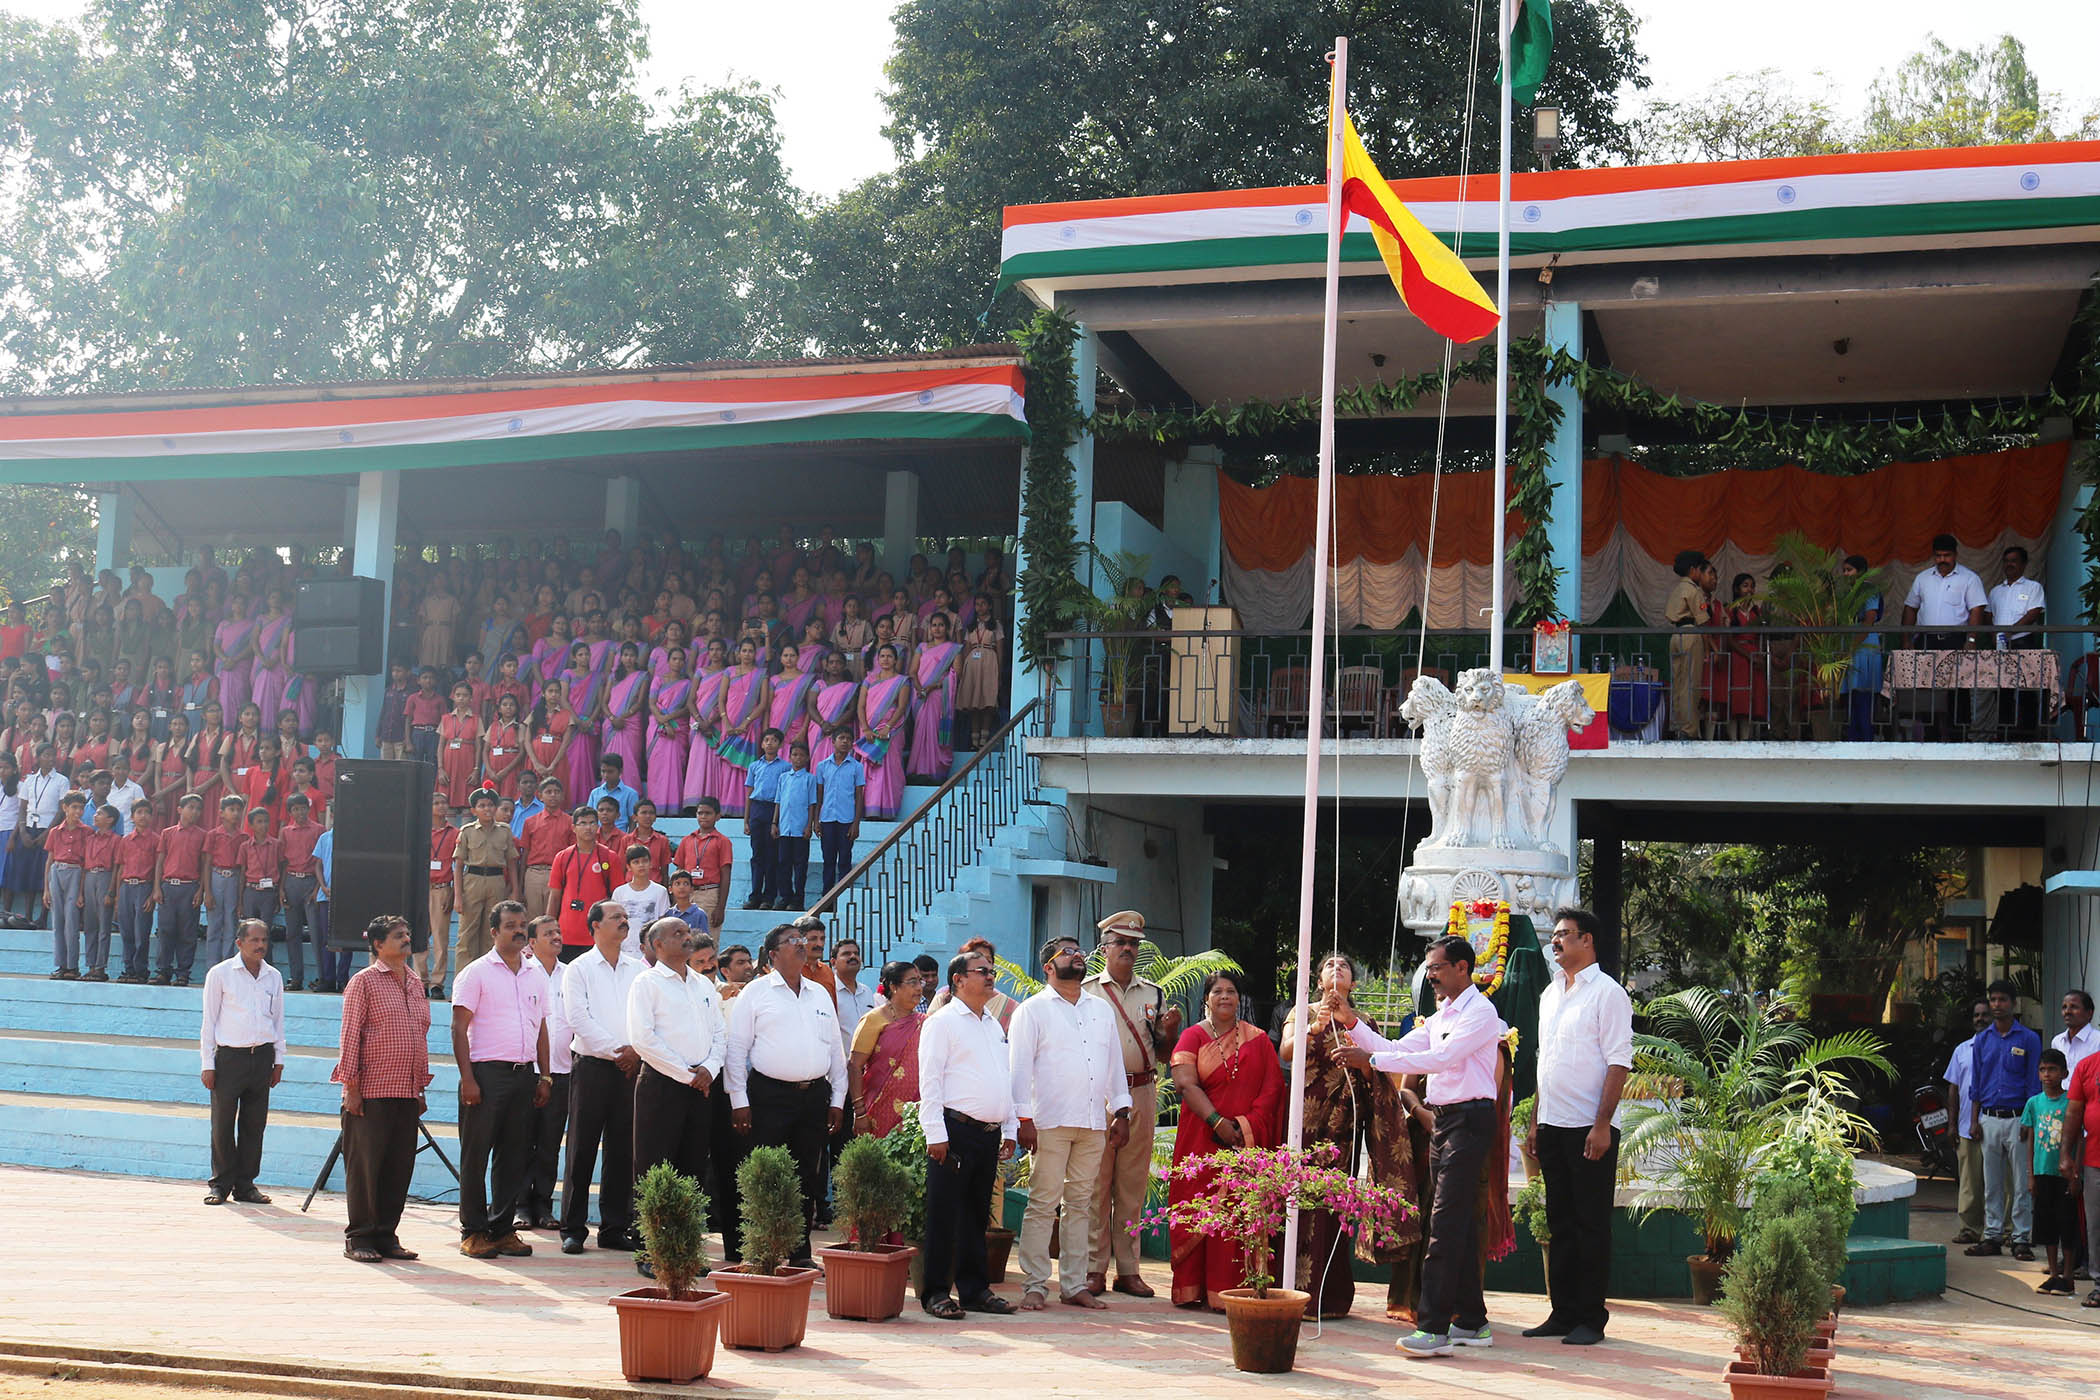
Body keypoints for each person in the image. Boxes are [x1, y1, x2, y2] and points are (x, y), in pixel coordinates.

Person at [1337, 935, 1507, 1358]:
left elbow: (1442, 1059)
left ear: (1462, 968)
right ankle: (1472, 1321)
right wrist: (1354, 1024)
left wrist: (1371, 1062)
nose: (1429, 976)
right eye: (1429, 968)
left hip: (1470, 1119)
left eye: (1436, 967)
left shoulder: (1481, 1013)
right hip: (1445, 1121)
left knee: (1445, 1224)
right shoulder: (1441, 1013)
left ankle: (1433, 1327)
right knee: (1458, 1223)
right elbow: (1398, 1048)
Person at [1278, 951, 1419, 1320]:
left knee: (1334, 1207)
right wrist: (1314, 1027)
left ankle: (1332, 1295)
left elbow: (1380, 1071)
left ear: (1353, 983)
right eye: (1329, 966)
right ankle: (1294, 1291)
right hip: (1304, 1127)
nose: (1336, 970)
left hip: (1343, 1127)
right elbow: (1286, 1051)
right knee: (1301, 1203)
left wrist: (1362, 1061)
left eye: (1343, 967)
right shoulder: (1303, 1012)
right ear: (1320, 979)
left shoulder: (1362, 1021)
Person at [1526, 908, 1633, 1345]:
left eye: (1564, 935)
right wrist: (1535, 1122)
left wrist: (1602, 1124)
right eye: (1554, 936)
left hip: (1590, 1128)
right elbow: (1543, 1062)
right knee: (1560, 1222)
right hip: (1552, 1124)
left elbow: (1618, 1061)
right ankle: (1562, 1313)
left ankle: (1591, 1318)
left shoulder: (1608, 993)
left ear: (1587, 940)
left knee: (1590, 1225)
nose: (1555, 943)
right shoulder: (1550, 994)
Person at [1010, 935, 1131, 1312]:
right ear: (1048, 967)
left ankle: (1075, 1284)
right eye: (1067, 952)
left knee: (1081, 1204)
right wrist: (1022, 1118)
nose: (1077, 956)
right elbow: (1019, 1070)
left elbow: (1113, 1065)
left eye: (1079, 951)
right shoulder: (1031, 1011)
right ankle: (1034, 1284)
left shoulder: (1100, 1009)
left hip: (1093, 1120)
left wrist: (1122, 1111)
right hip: (1049, 1120)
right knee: (1043, 1203)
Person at [723, 923, 846, 1265]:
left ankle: (798, 1252)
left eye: (802, 939)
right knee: (764, 1172)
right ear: (773, 954)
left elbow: (836, 1050)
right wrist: (739, 1101)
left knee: (807, 1175)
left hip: (813, 1097)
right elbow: (736, 1051)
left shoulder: (819, 993)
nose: (801, 944)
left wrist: (837, 1099)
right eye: (792, 941)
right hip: (768, 1095)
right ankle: (761, 1249)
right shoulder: (756, 992)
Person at [1165, 968, 1283, 1310]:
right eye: (1217, 991)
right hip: (1201, 1138)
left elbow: (1272, 1088)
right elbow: (1186, 1084)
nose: (1225, 997)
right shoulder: (1192, 1037)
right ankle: (1190, 1289)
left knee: (1237, 1213)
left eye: (1231, 991)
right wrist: (1217, 1122)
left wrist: (1244, 1127)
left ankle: (1229, 1291)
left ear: (1239, 998)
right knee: (1197, 1209)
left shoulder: (1258, 1039)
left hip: (1246, 1141)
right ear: (1206, 999)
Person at [917, 947, 1020, 1319]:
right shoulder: (942, 1022)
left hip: (988, 1133)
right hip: (953, 1131)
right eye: (982, 971)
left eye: (991, 970)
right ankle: (936, 1293)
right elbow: (929, 1081)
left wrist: (1009, 1126)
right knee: (945, 1214)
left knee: (977, 1215)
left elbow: (1003, 1078)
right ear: (959, 980)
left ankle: (975, 1289)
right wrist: (935, 1134)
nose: (990, 976)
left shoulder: (991, 1023)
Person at [1084, 910, 1181, 1297]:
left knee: (1132, 1185)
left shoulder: (1152, 993)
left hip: (1141, 1088)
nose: (1127, 949)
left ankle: (1128, 1270)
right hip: (1098, 1093)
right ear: (1104, 947)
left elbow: (1161, 1053)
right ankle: (1093, 1268)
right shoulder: (1088, 990)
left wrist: (1168, 1035)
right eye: (1120, 942)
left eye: (1133, 944)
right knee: (1096, 1183)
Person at [626, 916, 729, 1278]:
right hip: (663, 1085)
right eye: (678, 934)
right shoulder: (647, 983)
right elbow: (643, 1038)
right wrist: (688, 1074)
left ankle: (686, 1249)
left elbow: (720, 1033)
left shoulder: (702, 984)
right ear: (657, 945)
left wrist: (709, 1070)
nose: (687, 939)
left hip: (700, 1087)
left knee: (691, 1169)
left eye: (687, 933)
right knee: (654, 1168)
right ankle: (650, 1251)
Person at [451, 900, 552, 1259]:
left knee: (514, 1156)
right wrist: (468, 1079)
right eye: (510, 925)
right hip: (486, 1075)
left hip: (524, 1076)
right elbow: (459, 1028)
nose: (518, 930)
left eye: (522, 924)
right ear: (494, 932)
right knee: (475, 1156)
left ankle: (502, 1229)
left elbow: (541, 1027)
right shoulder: (476, 972)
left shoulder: (535, 973)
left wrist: (545, 1076)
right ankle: (474, 1231)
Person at [333, 914, 432, 1263]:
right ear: (378, 945)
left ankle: (387, 1235)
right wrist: (352, 1087)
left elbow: (420, 1036)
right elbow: (350, 1036)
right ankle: (359, 1237)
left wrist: (420, 1087)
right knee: (365, 1167)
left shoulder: (416, 982)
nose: (406, 939)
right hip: (371, 1090)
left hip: (406, 1090)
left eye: (407, 934)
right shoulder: (364, 982)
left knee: (398, 1166)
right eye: (398, 936)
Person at [558, 900, 644, 1255]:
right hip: (593, 1067)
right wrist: (618, 1052)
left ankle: (614, 1227)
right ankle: (573, 1229)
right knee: (582, 1148)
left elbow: (645, 1017)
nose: (624, 922)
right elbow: (579, 1019)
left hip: (631, 1069)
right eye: (615, 918)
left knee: (624, 1151)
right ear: (595, 925)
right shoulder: (578, 969)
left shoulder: (639, 969)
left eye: (626, 917)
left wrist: (634, 1053)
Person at [199, 918, 285, 1205]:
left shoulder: (273, 976)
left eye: (264, 940)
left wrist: (279, 1059)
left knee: (254, 1124)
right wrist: (207, 1063)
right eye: (254, 940)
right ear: (239, 943)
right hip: (229, 1058)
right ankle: (220, 1184)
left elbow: (278, 1020)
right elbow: (208, 1021)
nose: (261, 945)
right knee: (222, 1123)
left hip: (261, 1057)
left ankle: (246, 1184)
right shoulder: (220, 974)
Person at [1967, 978, 2043, 1261]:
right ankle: (1992, 1236)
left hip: (2018, 1120)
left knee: (2022, 1183)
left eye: (2002, 1000)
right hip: (1989, 1118)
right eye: (1993, 1000)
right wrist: (1974, 1121)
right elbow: (1976, 1083)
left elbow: (2034, 1085)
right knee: (1993, 1182)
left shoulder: (2029, 1039)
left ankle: (2021, 1238)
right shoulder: (1982, 1040)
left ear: (2014, 1003)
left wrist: (2028, 1120)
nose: (1997, 1005)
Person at [848, 961, 925, 1139]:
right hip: (877, 1109)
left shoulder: (925, 1022)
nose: (919, 988)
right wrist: (859, 1113)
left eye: (920, 982)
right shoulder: (874, 1019)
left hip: (916, 1113)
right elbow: (854, 1067)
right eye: (912, 982)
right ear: (893, 987)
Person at [451, 787, 517, 971]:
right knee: (467, 934)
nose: (487, 809)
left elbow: (511, 863)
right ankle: (463, 981)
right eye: (481, 806)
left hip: (496, 881)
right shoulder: (467, 831)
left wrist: (515, 890)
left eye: (490, 805)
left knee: (492, 932)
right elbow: (458, 865)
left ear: (496, 808)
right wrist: (458, 896)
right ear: (474, 810)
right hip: (473, 880)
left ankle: (489, 977)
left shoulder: (504, 831)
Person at [2028, 1048, 2074, 1294]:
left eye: (2053, 1069)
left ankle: (2068, 1276)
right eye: (2043, 1070)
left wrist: (2075, 1174)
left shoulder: (2071, 1102)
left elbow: (2079, 1138)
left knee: (2066, 1223)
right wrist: (2030, 1175)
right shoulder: (2034, 1103)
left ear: (2064, 1073)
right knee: (2046, 1225)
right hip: (2042, 1171)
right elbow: (2031, 1140)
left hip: (2064, 1174)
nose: (2047, 1075)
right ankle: (2053, 1274)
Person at [1945, 997, 1991, 1245]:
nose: (1980, 1019)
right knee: (1969, 1184)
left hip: (1995, 1124)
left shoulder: (1999, 1047)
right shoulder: (1962, 1050)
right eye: (1977, 1015)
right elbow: (1953, 1089)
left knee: (2000, 1185)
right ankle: (1969, 1230)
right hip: (1965, 1127)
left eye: (1985, 1015)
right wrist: (1952, 1124)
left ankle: (2002, 1232)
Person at [2059, 1033, 2100, 1307]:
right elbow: (2074, 1113)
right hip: (2095, 1161)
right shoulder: (2087, 1066)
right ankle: (2099, 1283)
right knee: (2097, 1225)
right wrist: (2066, 1154)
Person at [547, 806, 618, 957]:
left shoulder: (609, 857)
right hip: (567, 932)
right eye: (583, 823)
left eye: (592, 823)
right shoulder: (562, 857)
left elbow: (617, 897)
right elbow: (554, 896)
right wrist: (549, 928)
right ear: (573, 828)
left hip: (598, 933)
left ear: (598, 827)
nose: (588, 827)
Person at [1664, 550, 1715, 740]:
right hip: (1691, 634)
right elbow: (1703, 621)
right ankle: (1689, 729)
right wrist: (1709, 649)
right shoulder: (1694, 591)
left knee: (1678, 682)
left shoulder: (1677, 589)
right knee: (1691, 683)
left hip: (1676, 635)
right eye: (1700, 570)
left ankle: (1677, 724)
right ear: (1693, 570)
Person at [279, 793, 326, 989]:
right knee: (292, 933)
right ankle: (295, 977)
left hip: (310, 882)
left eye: (303, 808)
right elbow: (282, 862)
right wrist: (280, 888)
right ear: (290, 812)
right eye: (295, 809)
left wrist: (317, 889)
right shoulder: (285, 832)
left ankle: (323, 976)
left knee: (316, 933)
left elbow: (321, 863)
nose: (300, 812)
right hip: (291, 882)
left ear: (309, 808)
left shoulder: (319, 830)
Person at [43, 789, 88, 980]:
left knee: (71, 922)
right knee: (58, 922)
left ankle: (72, 966)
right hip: (57, 872)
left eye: (81, 808)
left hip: (75, 872)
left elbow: (86, 862)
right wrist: (46, 889)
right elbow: (49, 860)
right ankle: (61, 964)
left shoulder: (87, 832)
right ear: (65, 807)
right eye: (74, 807)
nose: (77, 812)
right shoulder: (55, 831)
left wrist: (80, 892)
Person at [741, 727, 788, 909]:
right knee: (757, 855)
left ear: (780, 744)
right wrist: (746, 820)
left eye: (774, 740)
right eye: (766, 740)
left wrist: (777, 821)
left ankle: (769, 897)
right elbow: (749, 794)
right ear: (761, 744)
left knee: (772, 855)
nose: (770, 743)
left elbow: (783, 794)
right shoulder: (754, 766)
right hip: (757, 810)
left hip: (774, 810)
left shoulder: (785, 767)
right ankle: (755, 896)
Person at [814, 729, 864, 897]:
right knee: (828, 859)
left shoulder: (856, 767)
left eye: (849, 739)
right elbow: (819, 795)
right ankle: (827, 897)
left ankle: (843, 896)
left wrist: (856, 823)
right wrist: (816, 820)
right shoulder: (822, 766)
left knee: (844, 859)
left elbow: (858, 796)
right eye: (841, 737)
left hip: (846, 820)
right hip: (827, 818)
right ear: (833, 742)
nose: (845, 741)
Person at [671, 796, 732, 933]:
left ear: (717, 816)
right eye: (700, 813)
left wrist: (720, 907)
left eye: (708, 813)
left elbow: (725, 875)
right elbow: (678, 871)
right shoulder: (687, 840)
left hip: (709, 893)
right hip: (686, 893)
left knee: (707, 938)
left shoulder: (722, 841)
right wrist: (675, 899)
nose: (703, 816)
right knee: (682, 937)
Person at [772, 739, 818, 910]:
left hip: (800, 829)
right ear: (790, 757)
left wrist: (809, 825)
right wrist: (774, 822)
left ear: (807, 758)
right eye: (794, 755)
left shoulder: (809, 779)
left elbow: (812, 803)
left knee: (800, 865)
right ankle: (785, 896)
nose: (798, 758)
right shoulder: (784, 778)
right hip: (784, 828)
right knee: (783, 863)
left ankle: (798, 900)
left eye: (801, 755)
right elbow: (778, 801)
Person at [610, 844, 669, 958]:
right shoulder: (620, 892)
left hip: (651, 952)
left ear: (651, 863)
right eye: (636, 862)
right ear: (628, 866)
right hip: (625, 951)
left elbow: (663, 924)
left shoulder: (660, 891)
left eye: (644, 861)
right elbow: (614, 923)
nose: (641, 865)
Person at [830, 937, 879, 1047]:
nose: (853, 956)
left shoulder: (866, 991)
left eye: (856, 953)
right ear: (833, 962)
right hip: (840, 1062)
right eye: (846, 954)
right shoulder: (829, 991)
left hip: (867, 1061)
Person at [587, 753, 640, 831]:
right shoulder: (595, 793)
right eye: (603, 771)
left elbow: (633, 820)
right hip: (598, 837)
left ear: (620, 771)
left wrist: (629, 839)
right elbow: (589, 816)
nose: (606, 775)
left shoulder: (630, 794)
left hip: (620, 837)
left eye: (610, 771)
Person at [2056, 990, 2098, 1076]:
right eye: (2064, 1007)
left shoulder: (2097, 1041)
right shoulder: (2057, 1041)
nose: (2067, 1011)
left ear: (2089, 1013)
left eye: (2074, 1007)